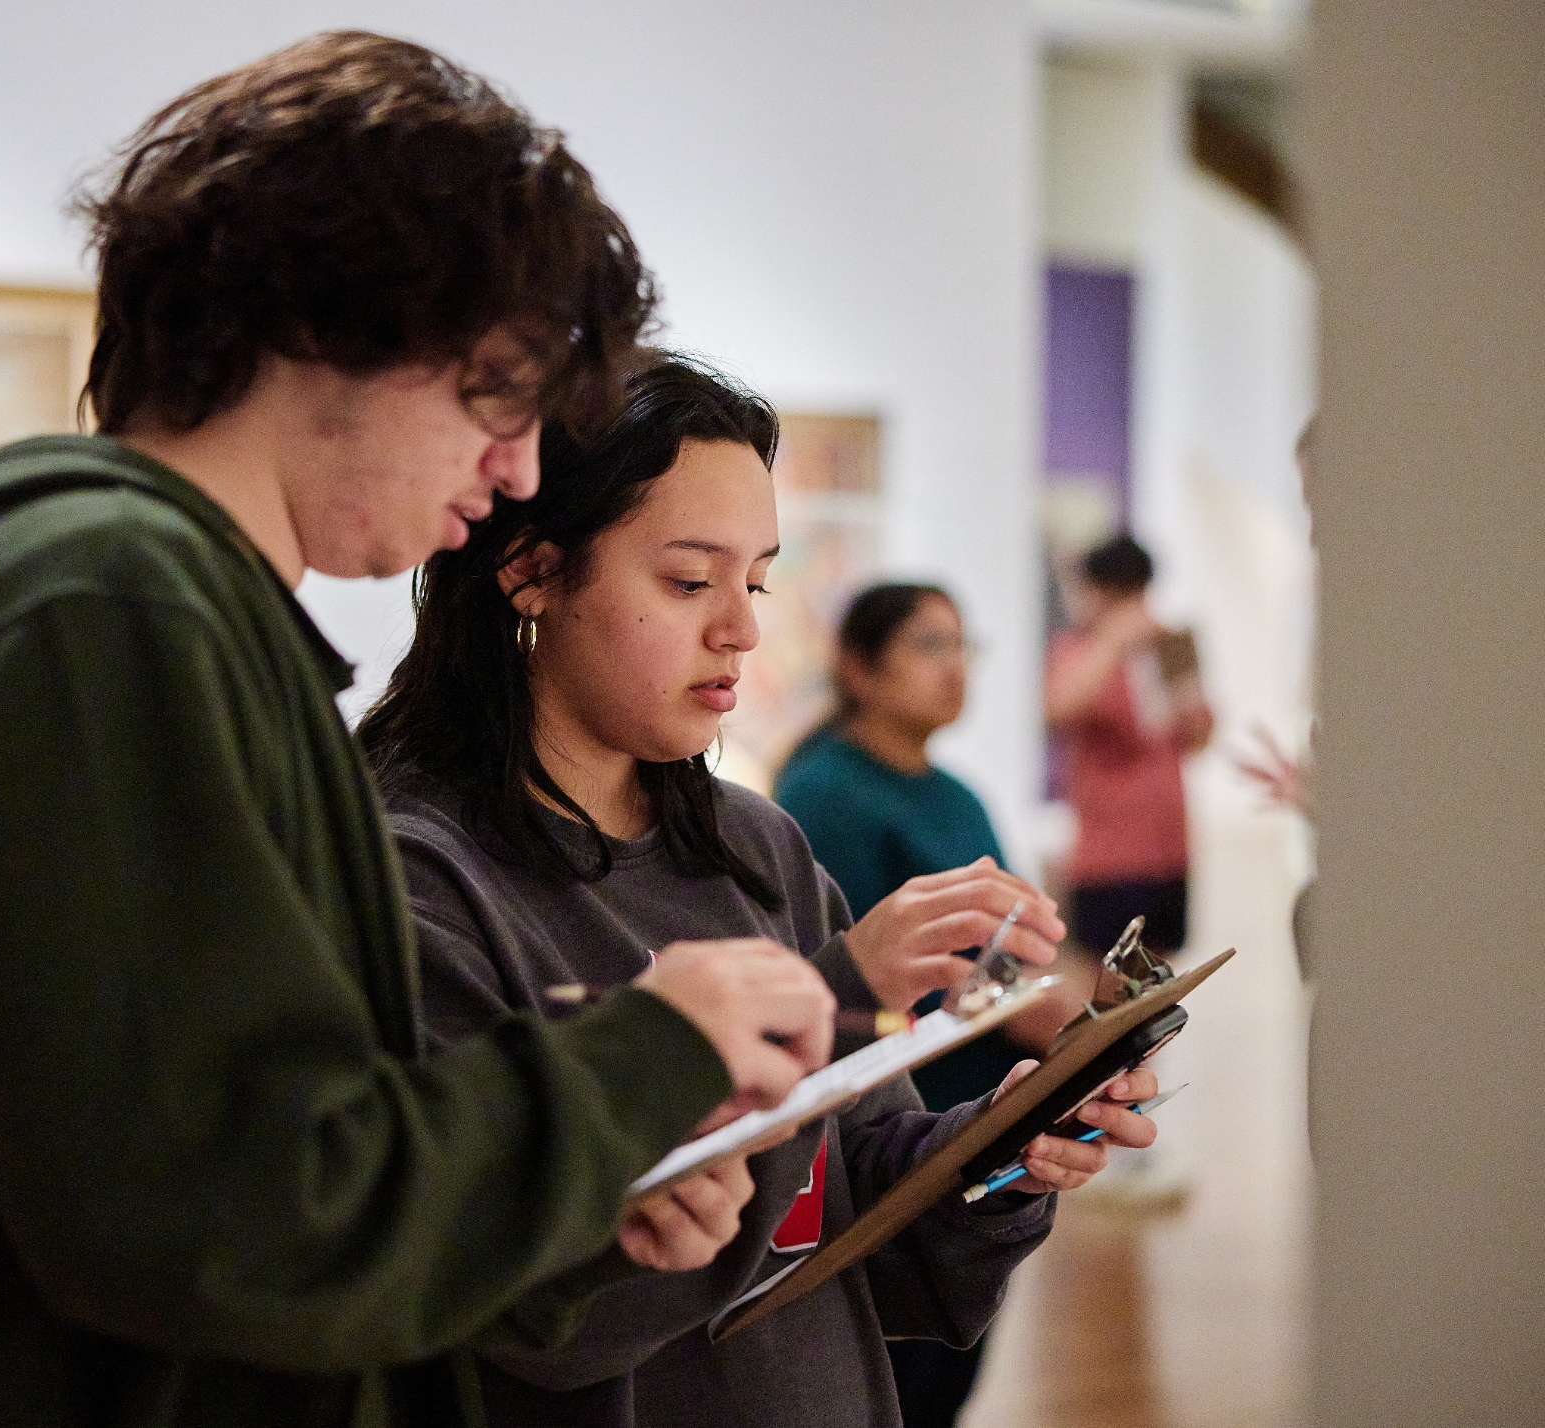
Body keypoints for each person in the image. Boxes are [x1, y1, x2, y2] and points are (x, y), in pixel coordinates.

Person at [0, 34, 842, 1428]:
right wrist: (648, 1052)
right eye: (496, 392)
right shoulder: (105, 609)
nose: (513, 469)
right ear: (342, 326)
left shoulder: (96, 590)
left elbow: (218, 1178)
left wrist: (576, 1204)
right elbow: (238, 1219)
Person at [358, 356, 1161, 1428]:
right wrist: (830, 998)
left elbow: (851, 1190)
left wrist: (999, 1149)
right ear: (530, 571)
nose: (739, 628)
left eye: (757, 581)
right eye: (689, 581)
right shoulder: (415, 873)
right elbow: (521, 1298)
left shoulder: (754, 847)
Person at [773, 582, 1034, 1427]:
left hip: (974, 1117)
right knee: (899, 1371)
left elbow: (1015, 938)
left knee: (951, 1358)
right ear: (858, 666)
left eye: (963, 645)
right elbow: (845, 977)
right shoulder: (826, 795)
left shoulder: (955, 792)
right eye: (929, 644)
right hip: (892, 1127)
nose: (955, 667)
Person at [1044, 533, 1214, 958]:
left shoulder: (1168, 643)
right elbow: (1058, 709)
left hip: (1168, 848)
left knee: (1158, 980)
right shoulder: (1078, 648)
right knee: (1101, 982)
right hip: (1105, 857)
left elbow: (1199, 737)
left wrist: (1187, 695)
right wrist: (1111, 643)